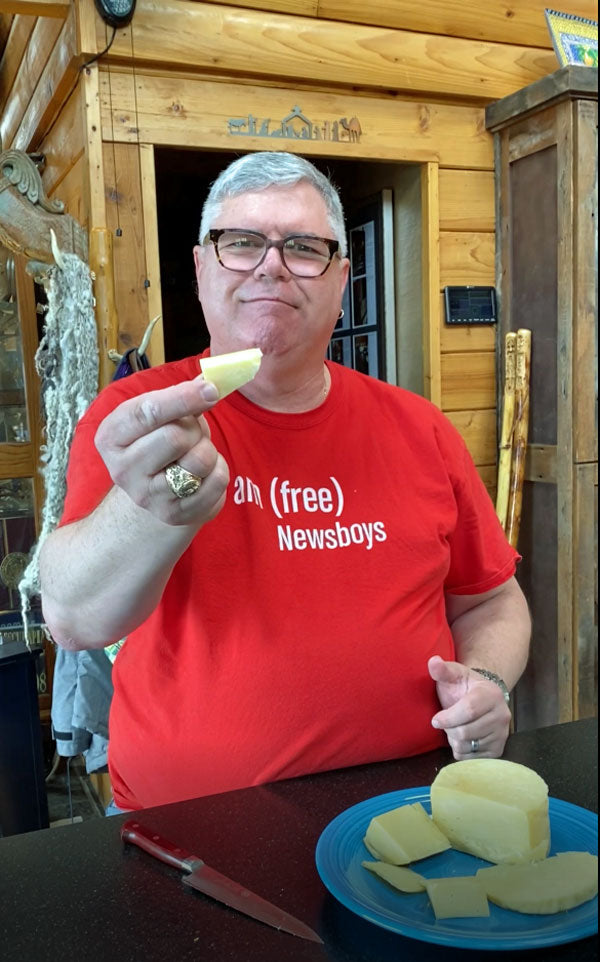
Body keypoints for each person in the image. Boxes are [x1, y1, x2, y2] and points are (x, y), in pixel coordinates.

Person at [38, 151, 531, 812]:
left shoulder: (420, 427)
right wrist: (148, 510)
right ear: (201, 267)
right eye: (241, 243)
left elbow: (492, 602)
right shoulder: (140, 418)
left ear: (342, 280)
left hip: (410, 813)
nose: (270, 264)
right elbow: (73, 620)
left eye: (303, 247)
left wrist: (489, 683)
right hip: (189, 834)